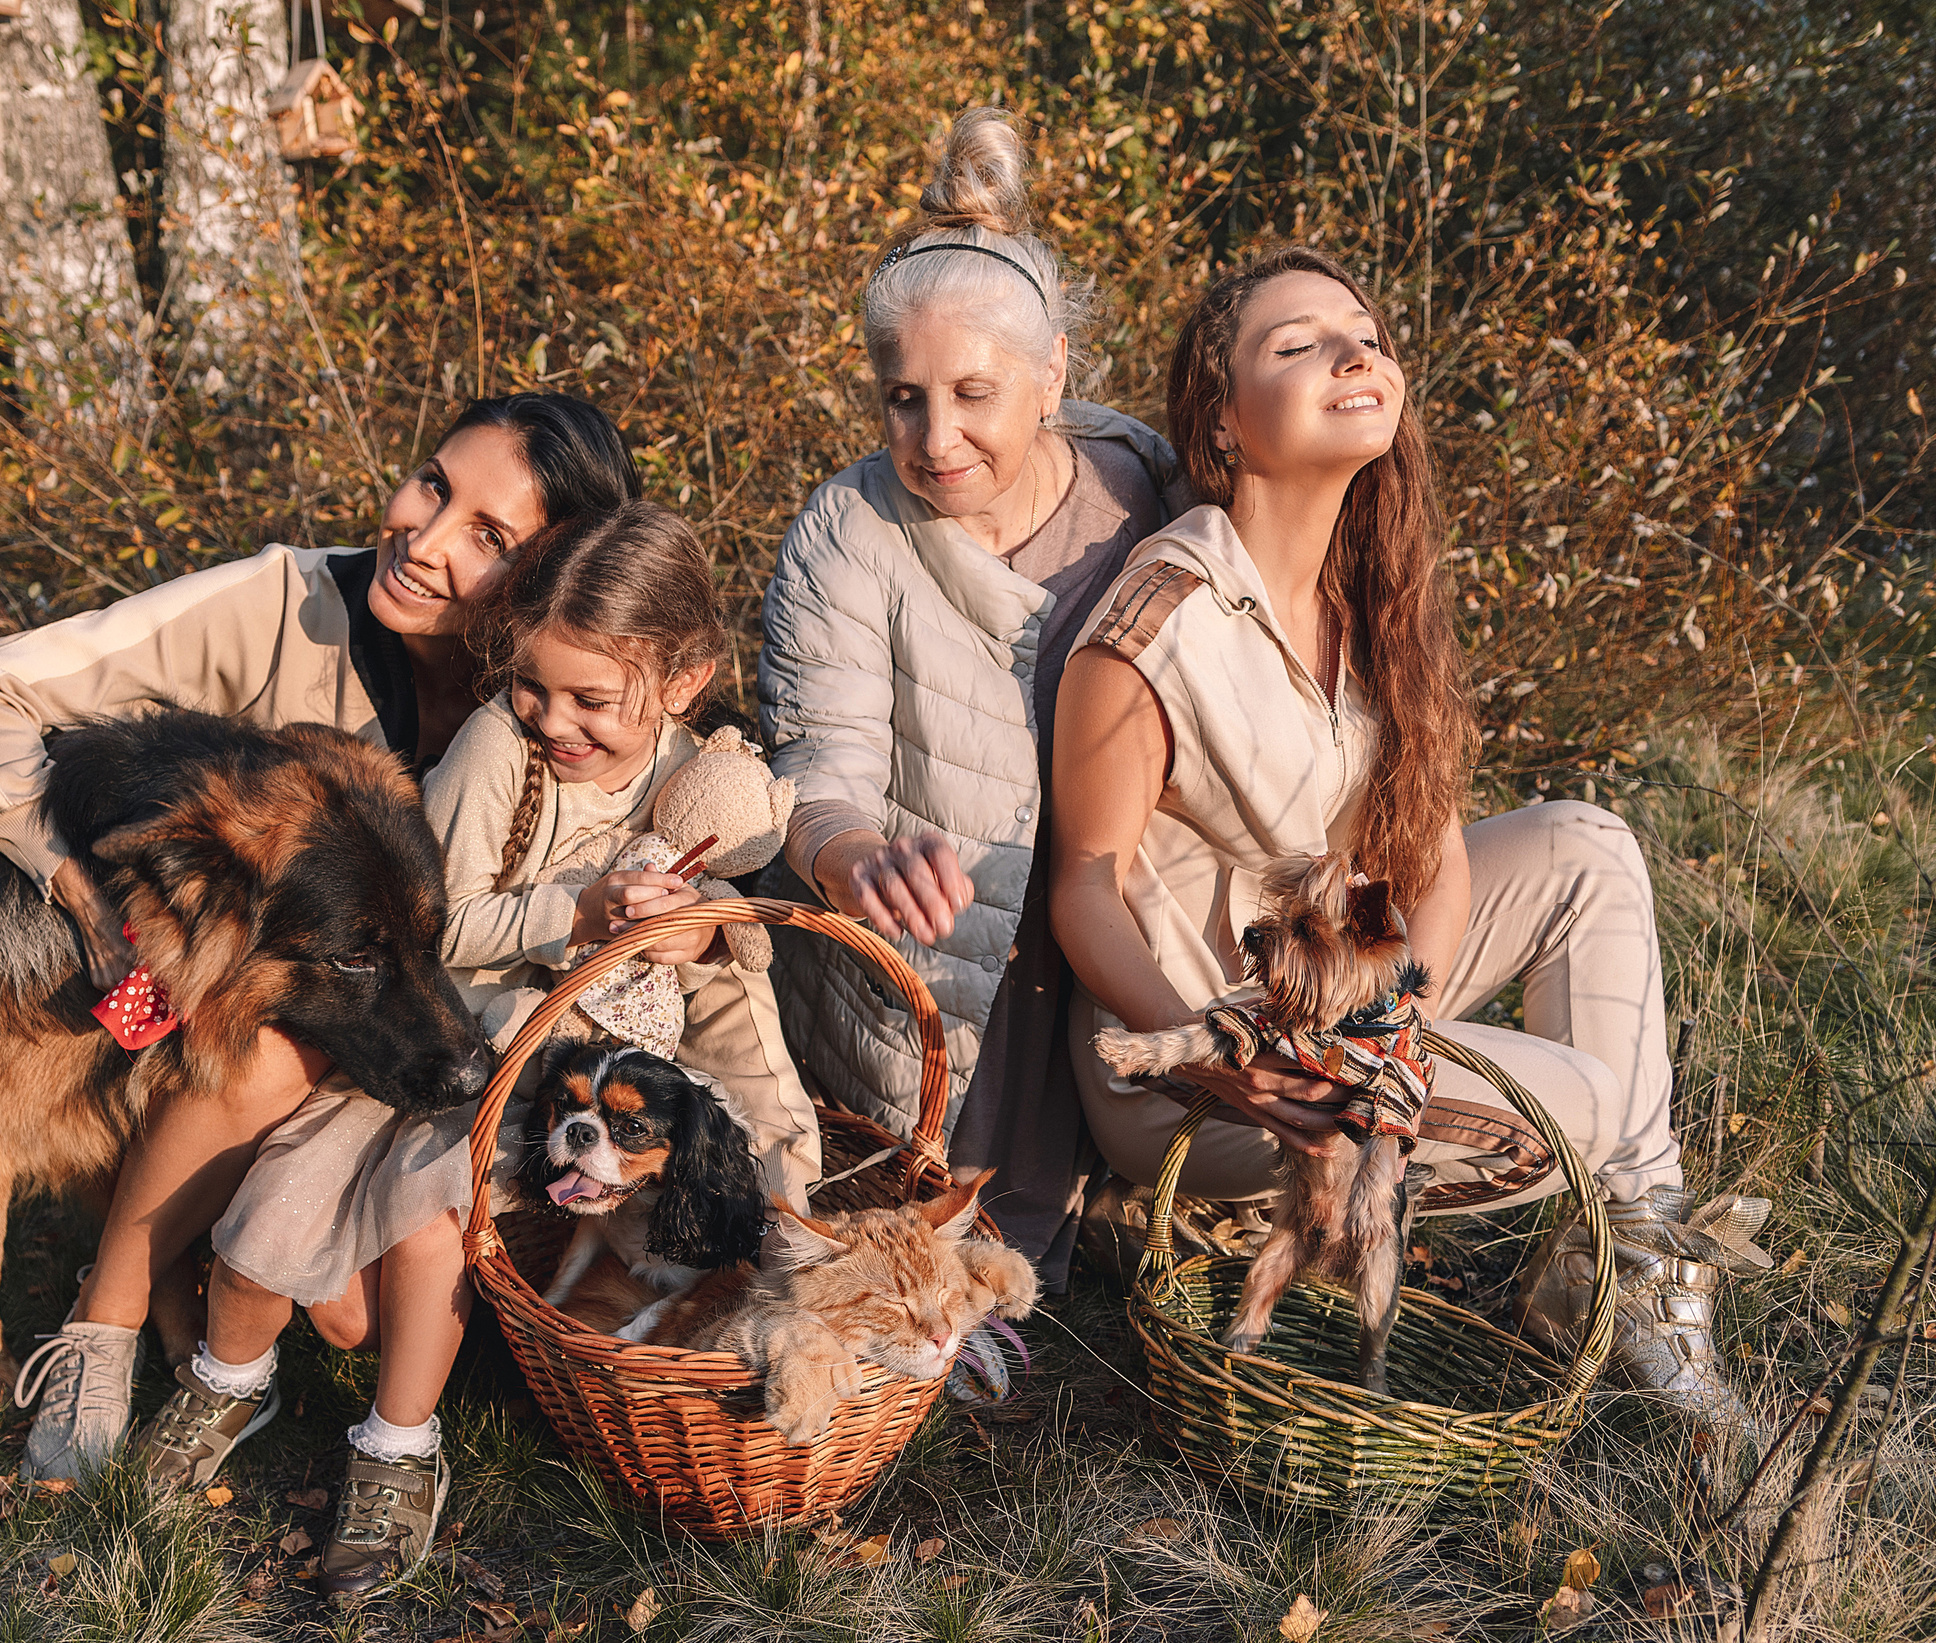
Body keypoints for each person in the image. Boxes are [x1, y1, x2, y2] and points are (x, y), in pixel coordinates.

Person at [964, 245, 1766, 1432]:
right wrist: (1220, 1061)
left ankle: (1630, 1271)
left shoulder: (1371, 594)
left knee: (1586, 845)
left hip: (1345, 1001)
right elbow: (1082, 889)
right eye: (1296, 345)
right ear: (1224, 424)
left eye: (1365, 335)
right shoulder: (1156, 620)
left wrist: (1408, 1031)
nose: (1355, 354)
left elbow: (1431, 852)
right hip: (1204, 1056)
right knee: (1589, 1106)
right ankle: (1607, 1244)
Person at [0, 393, 639, 1481]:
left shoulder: (554, 689)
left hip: (436, 1014)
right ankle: (108, 1317)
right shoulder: (282, 604)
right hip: (270, 1000)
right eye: (432, 483)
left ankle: (211, 1280)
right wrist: (73, 887)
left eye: (488, 535)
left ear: (552, 576)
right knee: (269, 1059)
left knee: (358, 1322)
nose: (423, 540)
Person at [152, 501, 819, 1595]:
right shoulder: (499, 746)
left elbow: (718, 968)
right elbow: (440, 919)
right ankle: (226, 1380)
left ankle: (396, 1453)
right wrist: (577, 910)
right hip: (447, 1039)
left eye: (591, 700)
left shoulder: (700, 778)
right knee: (283, 1206)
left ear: (685, 679)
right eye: (535, 685)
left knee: (430, 1224)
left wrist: (698, 931)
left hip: (558, 1081)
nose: (557, 717)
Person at [759, 107, 1186, 1139]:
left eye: (973, 393)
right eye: (902, 397)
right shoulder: (848, 529)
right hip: (938, 990)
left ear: (1052, 372)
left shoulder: (1155, 494)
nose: (934, 438)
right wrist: (855, 859)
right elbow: (819, 766)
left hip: (1137, 948)